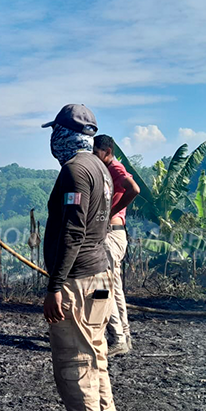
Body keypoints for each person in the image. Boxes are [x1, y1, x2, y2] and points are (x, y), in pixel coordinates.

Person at [40, 104, 131, 411]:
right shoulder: (100, 168)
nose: (51, 139)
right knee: (96, 356)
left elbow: (74, 232)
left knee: (74, 367)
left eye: (54, 131)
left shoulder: (75, 170)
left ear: (64, 133)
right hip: (101, 278)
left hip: (78, 281)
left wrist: (55, 285)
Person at [92, 135, 139, 356]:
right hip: (116, 235)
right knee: (115, 287)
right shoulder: (107, 169)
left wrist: (111, 211)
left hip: (111, 234)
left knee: (104, 286)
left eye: (97, 153)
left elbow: (134, 189)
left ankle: (117, 337)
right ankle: (124, 336)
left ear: (107, 151)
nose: (94, 157)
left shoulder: (115, 168)